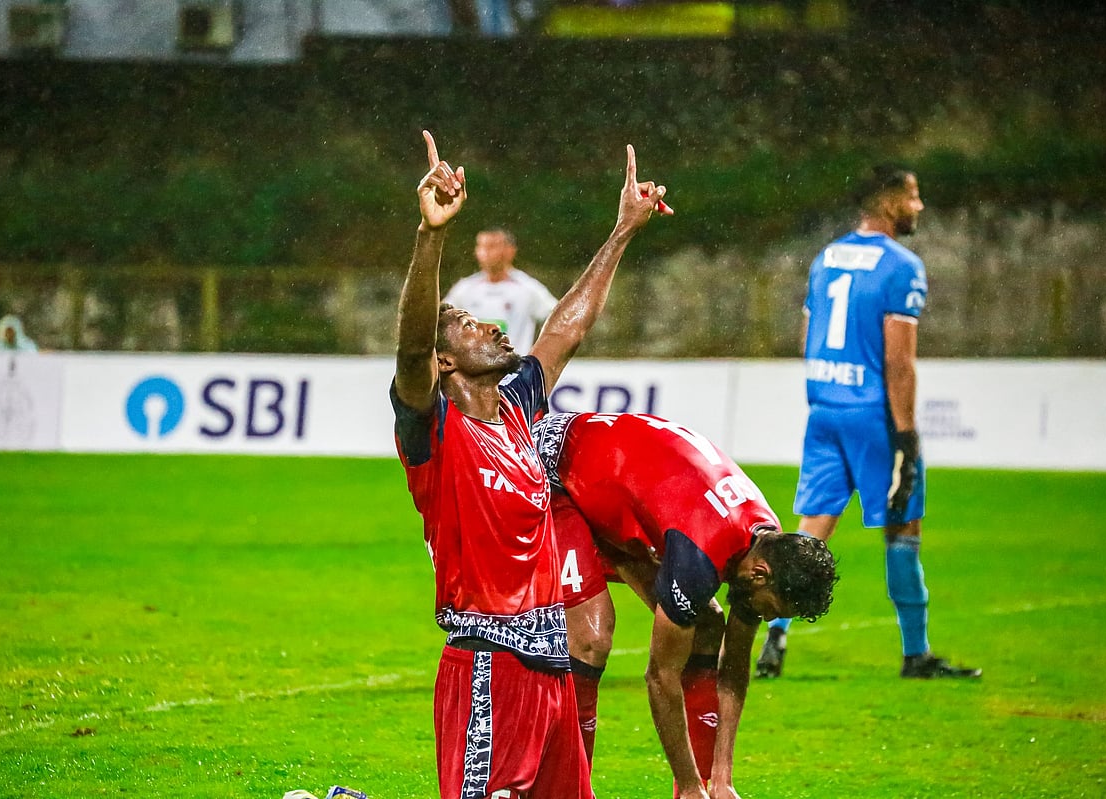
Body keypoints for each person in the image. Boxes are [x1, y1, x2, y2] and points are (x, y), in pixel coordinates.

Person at [391, 130, 670, 799]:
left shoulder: (517, 409)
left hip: (551, 670)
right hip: (488, 665)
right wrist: (430, 236)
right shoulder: (434, 428)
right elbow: (409, 344)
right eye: (465, 325)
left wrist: (623, 230)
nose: (489, 325)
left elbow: (567, 327)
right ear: (444, 361)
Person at [532, 411, 837, 799]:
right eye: (773, 609)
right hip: (552, 469)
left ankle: (705, 788)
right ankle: (568, 791)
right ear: (759, 575)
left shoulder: (767, 546)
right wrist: (693, 786)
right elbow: (660, 678)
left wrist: (723, 778)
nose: (768, 618)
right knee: (591, 636)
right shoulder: (703, 552)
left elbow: (735, 665)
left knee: (707, 624)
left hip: (615, 487)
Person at [756, 164, 980, 680]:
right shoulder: (902, 266)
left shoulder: (826, 257)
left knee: (812, 529)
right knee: (904, 526)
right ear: (886, 201)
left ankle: (775, 639)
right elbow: (899, 362)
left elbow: (807, 336)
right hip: (872, 414)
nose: (918, 207)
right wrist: (906, 436)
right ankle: (916, 654)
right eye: (913, 196)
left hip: (825, 408)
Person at [443, 228, 558, 354]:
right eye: (481, 246)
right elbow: (443, 320)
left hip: (515, 369)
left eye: (491, 246)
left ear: (510, 251)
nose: (485, 252)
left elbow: (558, 318)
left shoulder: (527, 289)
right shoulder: (464, 289)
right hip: (475, 369)